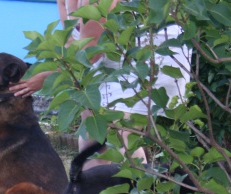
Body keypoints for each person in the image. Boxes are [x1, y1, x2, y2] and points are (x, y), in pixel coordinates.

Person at [10, 0, 191, 167]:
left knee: (121, 134)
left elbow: (90, 52)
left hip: (145, 52)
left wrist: (47, 77)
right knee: (92, 134)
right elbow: (72, 41)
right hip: (110, 52)